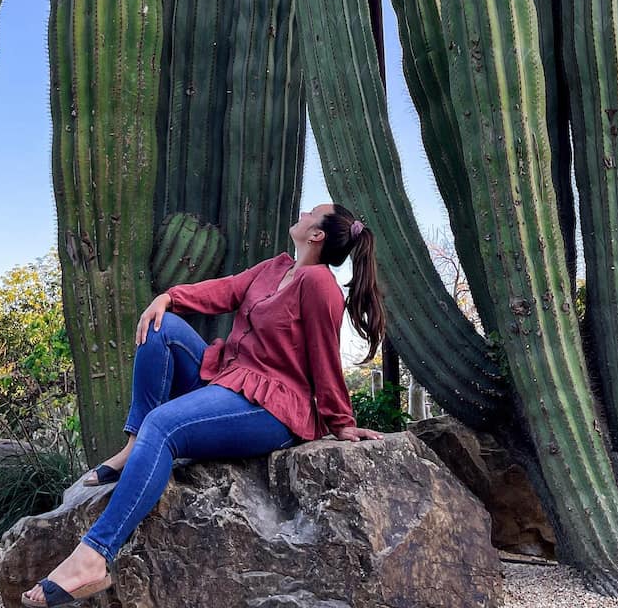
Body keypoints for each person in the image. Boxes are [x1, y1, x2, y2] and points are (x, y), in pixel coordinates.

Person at [22, 202, 387, 607]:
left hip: (272, 406)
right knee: (162, 328)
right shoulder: (275, 267)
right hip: (228, 376)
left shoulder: (319, 284)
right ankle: (132, 447)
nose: (302, 213)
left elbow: (324, 355)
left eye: (311, 213)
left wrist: (341, 421)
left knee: (163, 427)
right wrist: (168, 298)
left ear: (317, 235)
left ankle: (93, 557)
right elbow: (225, 290)